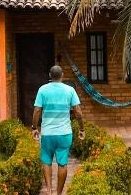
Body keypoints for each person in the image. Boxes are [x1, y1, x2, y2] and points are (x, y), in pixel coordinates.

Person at [32, 65, 85, 195]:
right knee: (62, 163)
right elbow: (78, 111)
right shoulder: (70, 90)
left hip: (48, 134)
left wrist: (34, 128)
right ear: (62, 76)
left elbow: (37, 110)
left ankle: (49, 191)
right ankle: (59, 193)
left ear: (50, 76)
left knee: (46, 161)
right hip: (65, 133)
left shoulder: (42, 90)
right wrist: (82, 128)